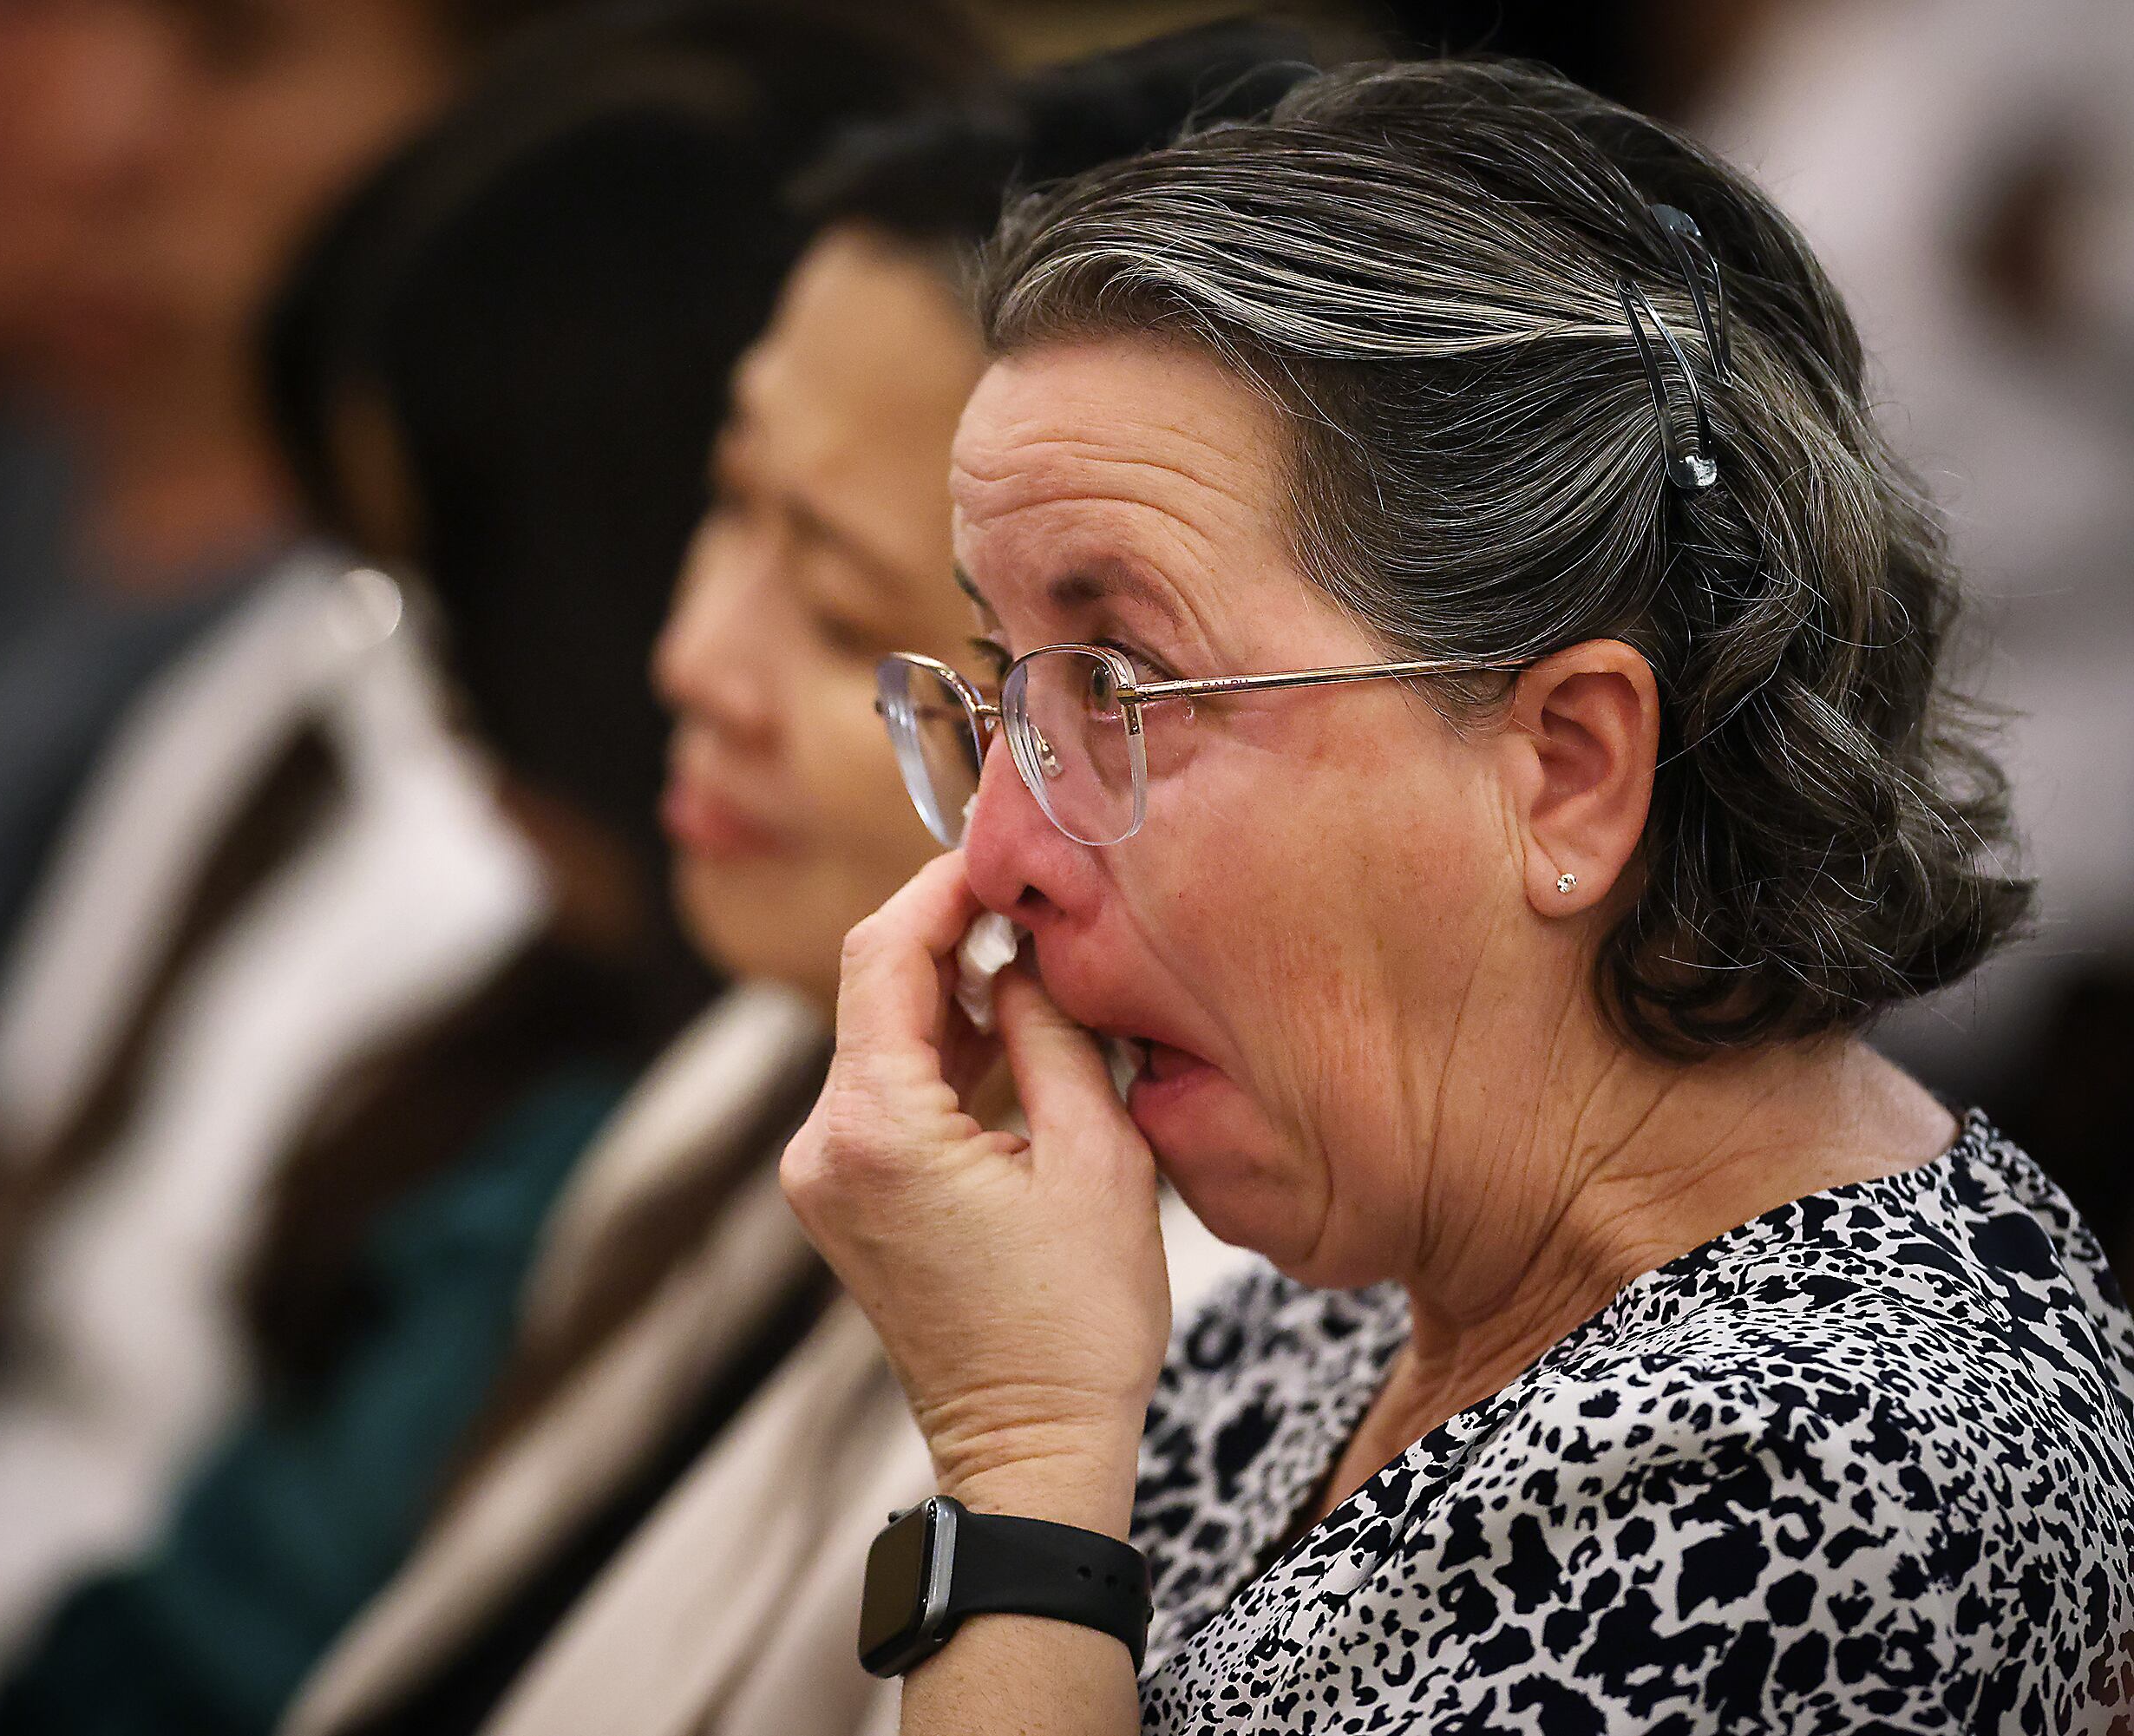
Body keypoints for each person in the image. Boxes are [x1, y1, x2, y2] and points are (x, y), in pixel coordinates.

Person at [0, 7, 971, 1735]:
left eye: (838, 597)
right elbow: (20, 1214)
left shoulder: (713, 1087)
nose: (697, 657)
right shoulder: (294, 709)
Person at [789, 58, 2134, 1735]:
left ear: (1567, 765)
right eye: (1007, 687)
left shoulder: (1842, 1486)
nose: (994, 853)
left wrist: (1020, 1465)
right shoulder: (1340, 1294)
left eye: (1120, 692)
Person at [271, 28, 1309, 1736]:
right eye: (728, 502)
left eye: (837, 615)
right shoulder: (756, 1070)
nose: (688, 655)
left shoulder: (1196, 1345)